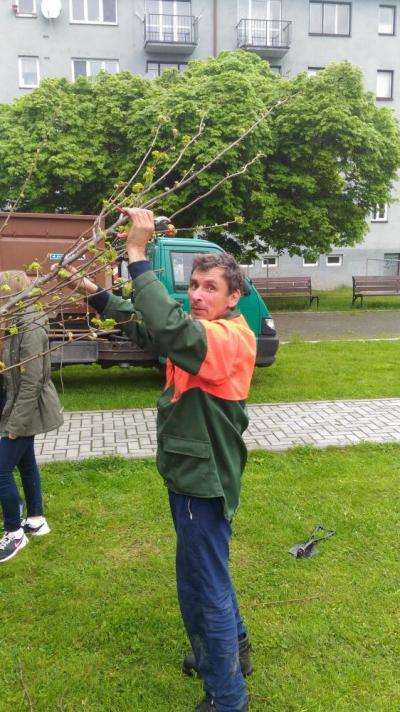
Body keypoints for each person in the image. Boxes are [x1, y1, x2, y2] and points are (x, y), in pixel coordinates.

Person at [64, 208, 256, 712]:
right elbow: (151, 329)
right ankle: (232, 649)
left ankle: (227, 695)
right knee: (206, 570)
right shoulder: (199, 330)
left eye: (210, 287)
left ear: (234, 297)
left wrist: (136, 255)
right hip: (193, 473)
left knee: (201, 582)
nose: (197, 294)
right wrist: (93, 290)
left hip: (202, 479)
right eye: (194, 284)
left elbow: (170, 330)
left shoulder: (228, 337)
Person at [0, 271, 64, 563]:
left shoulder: (30, 325)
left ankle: (15, 534)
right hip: (20, 406)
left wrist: (16, 424)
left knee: (0, 470)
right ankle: (36, 521)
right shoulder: (16, 321)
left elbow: (32, 381)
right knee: (26, 464)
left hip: (29, 409)